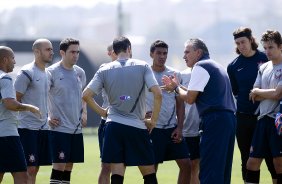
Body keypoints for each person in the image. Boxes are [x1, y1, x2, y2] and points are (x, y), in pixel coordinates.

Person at [82, 36, 162, 184]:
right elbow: (158, 93)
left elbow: (86, 95)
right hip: (137, 127)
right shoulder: (142, 66)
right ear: (129, 49)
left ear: (114, 51)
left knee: (117, 176)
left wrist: (102, 112)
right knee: (149, 175)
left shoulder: (104, 70)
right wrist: (153, 121)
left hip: (113, 127)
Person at [162, 38, 236, 184]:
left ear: (198, 52)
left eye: (187, 52)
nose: (184, 56)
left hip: (215, 120)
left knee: (209, 170)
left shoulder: (200, 66)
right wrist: (178, 86)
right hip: (228, 120)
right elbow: (194, 93)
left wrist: (176, 89)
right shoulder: (215, 65)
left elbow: (190, 99)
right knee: (222, 170)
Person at [227, 27, 277, 183]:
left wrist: (260, 94)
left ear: (251, 40)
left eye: (243, 42)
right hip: (243, 119)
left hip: (264, 116)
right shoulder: (233, 66)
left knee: (271, 157)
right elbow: (236, 92)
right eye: (237, 43)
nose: (241, 46)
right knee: (247, 159)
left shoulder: (265, 58)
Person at [145, 40, 191, 184]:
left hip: (172, 128)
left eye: (165, 53)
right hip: (152, 128)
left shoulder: (174, 74)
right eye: (158, 53)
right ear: (151, 54)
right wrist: (142, 115)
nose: (162, 56)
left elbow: (180, 102)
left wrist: (180, 127)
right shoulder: (144, 73)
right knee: (152, 170)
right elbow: (134, 97)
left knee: (186, 165)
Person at [14, 38, 53, 184]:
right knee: (28, 169)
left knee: (35, 168)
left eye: (51, 49)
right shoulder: (26, 72)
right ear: (37, 52)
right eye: (47, 49)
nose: (51, 52)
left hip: (43, 128)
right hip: (27, 128)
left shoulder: (48, 74)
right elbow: (14, 100)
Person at [47, 38, 87, 184]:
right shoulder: (51, 72)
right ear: (62, 53)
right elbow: (40, 97)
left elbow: (83, 96)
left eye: (77, 52)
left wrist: (84, 113)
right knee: (59, 166)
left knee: (69, 166)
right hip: (59, 128)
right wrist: (47, 118)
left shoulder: (80, 73)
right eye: (72, 52)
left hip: (76, 128)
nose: (75, 55)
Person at [0, 46, 41, 184]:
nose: (15, 62)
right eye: (13, 58)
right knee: (22, 177)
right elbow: (10, 103)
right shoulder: (5, 78)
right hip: (7, 134)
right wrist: (29, 107)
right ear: (5, 60)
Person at [246, 30, 282, 184]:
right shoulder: (263, 67)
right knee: (252, 163)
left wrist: (259, 92)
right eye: (265, 47)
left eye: (271, 47)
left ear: (281, 47)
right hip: (262, 119)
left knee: (278, 163)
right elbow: (253, 96)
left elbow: (277, 94)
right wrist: (264, 93)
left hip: (278, 121)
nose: (267, 51)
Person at [97, 44, 117, 184]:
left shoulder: (134, 69)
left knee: (121, 165)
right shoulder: (104, 69)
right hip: (108, 122)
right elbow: (87, 94)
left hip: (129, 121)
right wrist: (103, 112)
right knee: (106, 166)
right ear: (109, 53)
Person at [181, 67, 201, 184]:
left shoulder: (206, 72)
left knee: (198, 165)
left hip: (204, 126)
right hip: (187, 128)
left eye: (188, 52)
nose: (185, 56)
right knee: (189, 165)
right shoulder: (182, 74)